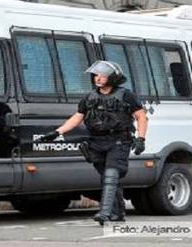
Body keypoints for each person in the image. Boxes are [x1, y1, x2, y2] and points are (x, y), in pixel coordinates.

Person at [38, 60, 148, 225]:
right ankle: (118, 214)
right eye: (96, 75)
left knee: (111, 175)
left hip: (118, 140)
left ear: (112, 78)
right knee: (108, 178)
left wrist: (141, 138)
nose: (98, 78)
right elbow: (78, 116)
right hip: (96, 142)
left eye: (102, 75)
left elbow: (141, 116)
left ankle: (105, 212)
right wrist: (57, 132)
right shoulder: (90, 97)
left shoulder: (126, 95)